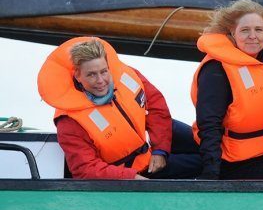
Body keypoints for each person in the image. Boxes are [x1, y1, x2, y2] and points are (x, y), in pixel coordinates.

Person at [37, 37, 200, 179]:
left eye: (104, 71)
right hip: (130, 174)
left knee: (212, 153)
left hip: (153, 152)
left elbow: (157, 107)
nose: (101, 80)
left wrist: (160, 150)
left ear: (109, 66)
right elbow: (85, 169)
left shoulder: (127, 75)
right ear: (77, 75)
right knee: (206, 167)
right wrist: (132, 178)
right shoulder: (69, 122)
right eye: (91, 74)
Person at [192, 0, 263, 179]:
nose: (252, 36)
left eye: (258, 30)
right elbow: (209, 126)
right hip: (235, 160)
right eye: (245, 30)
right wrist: (211, 174)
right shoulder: (216, 70)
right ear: (232, 32)